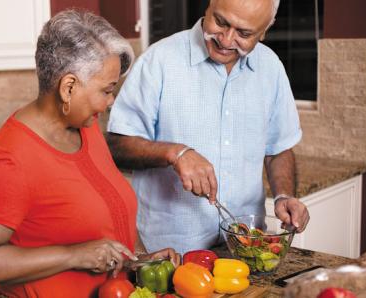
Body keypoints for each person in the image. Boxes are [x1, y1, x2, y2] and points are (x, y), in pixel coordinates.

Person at [0, 10, 179, 298]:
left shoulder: (86, 126)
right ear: (68, 87)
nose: (110, 102)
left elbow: (109, 213)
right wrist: (72, 255)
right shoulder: (9, 159)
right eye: (107, 90)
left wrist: (140, 261)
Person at [106, 0, 310, 254]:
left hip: (245, 248)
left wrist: (284, 196)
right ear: (209, 6)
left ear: (264, 31)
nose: (226, 40)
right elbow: (115, 145)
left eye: (244, 33)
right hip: (167, 251)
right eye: (221, 22)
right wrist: (174, 153)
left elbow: (278, 148)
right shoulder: (158, 61)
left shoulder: (271, 68)